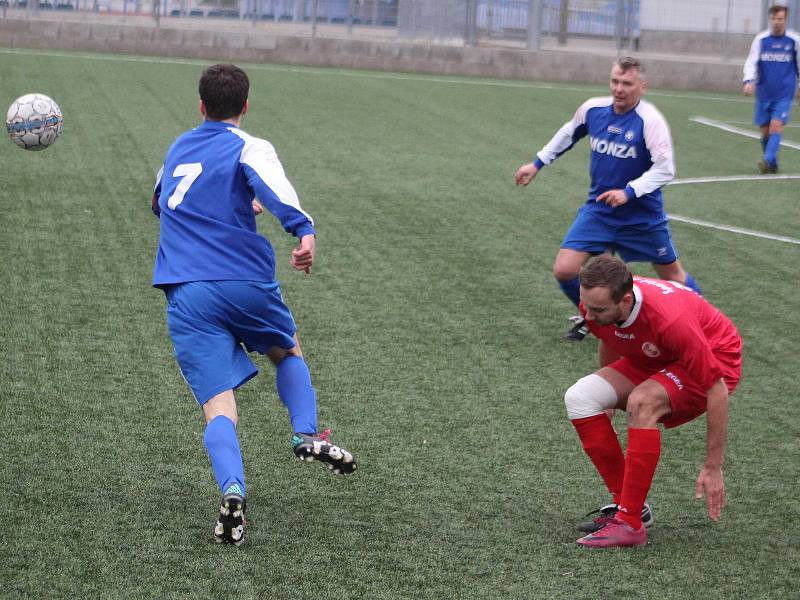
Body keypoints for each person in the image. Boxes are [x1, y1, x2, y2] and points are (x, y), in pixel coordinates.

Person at [150, 63, 356, 546]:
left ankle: (234, 489)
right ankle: (307, 434)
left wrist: (234, 202)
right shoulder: (249, 145)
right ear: (245, 106)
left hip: (187, 292)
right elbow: (276, 189)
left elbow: (163, 202)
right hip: (244, 281)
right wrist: (303, 231)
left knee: (218, 404)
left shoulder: (175, 149)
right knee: (287, 349)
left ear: (201, 106)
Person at [514, 57, 701, 342]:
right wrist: (537, 163)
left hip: (642, 216)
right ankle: (598, 320)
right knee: (565, 270)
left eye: (627, 83)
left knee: (673, 276)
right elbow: (568, 133)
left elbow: (665, 169)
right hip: (599, 210)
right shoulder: (593, 109)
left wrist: (628, 192)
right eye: (615, 81)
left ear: (642, 87)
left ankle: (703, 322)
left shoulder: (650, 121)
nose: (619, 89)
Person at [562, 254, 741, 548]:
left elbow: (717, 389)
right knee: (580, 397)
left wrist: (713, 465)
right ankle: (629, 508)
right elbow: (611, 337)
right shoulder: (595, 304)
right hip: (655, 353)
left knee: (642, 402)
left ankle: (630, 526)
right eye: (586, 305)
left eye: (598, 309)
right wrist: (607, 401)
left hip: (716, 356)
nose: (588, 316)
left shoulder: (671, 321)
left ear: (626, 301)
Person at [743, 4, 800, 174]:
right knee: (765, 132)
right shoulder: (761, 40)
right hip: (764, 92)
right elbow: (751, 62)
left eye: (780, 19)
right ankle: (772, 162)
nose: (776, 22)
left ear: (785, 20)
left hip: (784, 93)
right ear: (770, 19)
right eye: (773, 19)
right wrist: (748, 80)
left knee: (776, 126)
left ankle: (766, 161)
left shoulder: (794, 40)